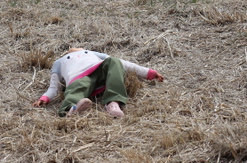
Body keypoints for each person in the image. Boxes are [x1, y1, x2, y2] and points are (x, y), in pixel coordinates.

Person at [33, 48, 164, 117]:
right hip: (79, 78)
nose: (73, 47)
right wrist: (45, 97)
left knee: (114, 61)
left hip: (100, 72)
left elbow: (122, 64)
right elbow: (54, 85)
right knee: (76, 88)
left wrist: (149, 73)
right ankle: (70, 110)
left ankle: (113, 103)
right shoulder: (59, 62)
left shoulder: (92, 53)